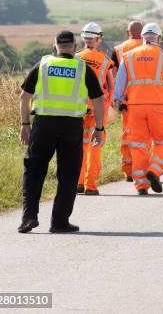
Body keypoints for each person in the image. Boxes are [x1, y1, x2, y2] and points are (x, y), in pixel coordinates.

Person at [18, 31, 105, 233]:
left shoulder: (43, 65)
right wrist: (99, 128)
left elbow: (24, 97)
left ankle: (29, 217)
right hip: (72, 127)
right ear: (74, 46)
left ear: (55, 45)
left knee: (34, 170)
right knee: (68, 174)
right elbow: (99, 100)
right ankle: (59, 222)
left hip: (43, 124)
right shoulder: (82, 68)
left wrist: (25, 124)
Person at [113, 23, 163, 195]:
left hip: (134, 108)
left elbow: (119, 84)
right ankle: (154, 169)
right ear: (158, 38)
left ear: (143, 37)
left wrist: (118, 101)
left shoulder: (128, 56)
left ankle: (141, 185)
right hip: (159, 107)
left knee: (138, 145)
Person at [76, 22, 115, 195]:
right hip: (98, 109)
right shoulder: (106, 61)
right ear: (98, 39)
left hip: (77, 109)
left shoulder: (75, 58)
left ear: (83, 39)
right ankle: (90, 185)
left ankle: (78, 183)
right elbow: (111, 86)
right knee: (95, 146)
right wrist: (110, 105)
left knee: (79, 147)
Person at [113, 21, 144, 182]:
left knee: (128, 134)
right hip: (146, 99)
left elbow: (114, 76)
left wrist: (116, 99)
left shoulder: (118, 50)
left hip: (125, 100)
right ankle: (143, 168)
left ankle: (129, 170)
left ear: (127, 32)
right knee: (144, 136)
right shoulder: (152, 48)